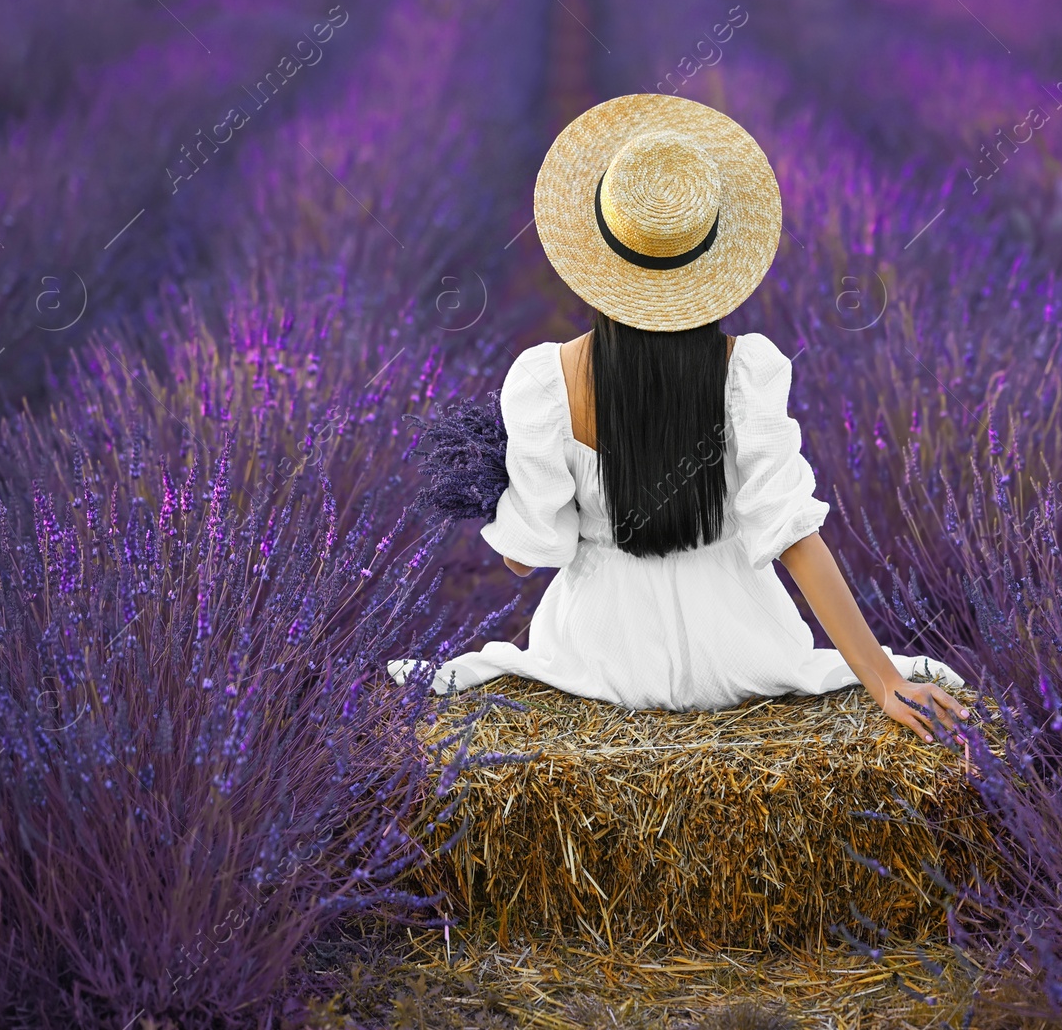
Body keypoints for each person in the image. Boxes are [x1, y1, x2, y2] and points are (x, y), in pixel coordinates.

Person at [392, 94, 971, 744]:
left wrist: (497, 481)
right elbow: (794, 535)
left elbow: (531, 556)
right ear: (711, 259)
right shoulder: (748, 371)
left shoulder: (542, 382)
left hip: (600, 660)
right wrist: (881, 678)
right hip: (740, 655)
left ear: (596, 252)